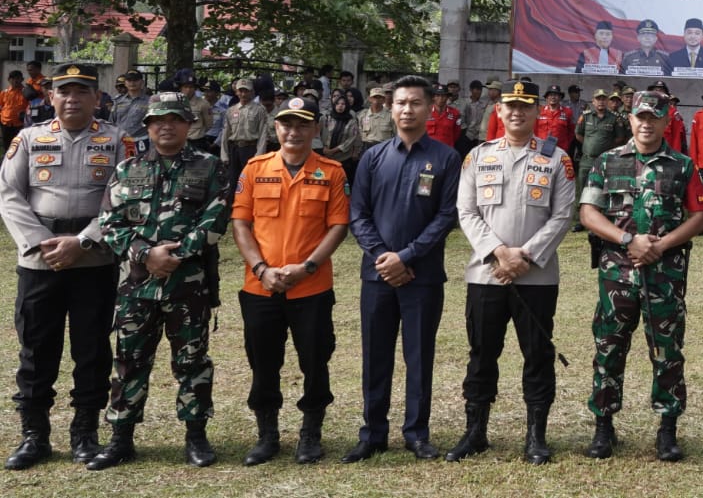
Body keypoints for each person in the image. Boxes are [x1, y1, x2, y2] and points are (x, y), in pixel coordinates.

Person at [87, 92, 231, 470]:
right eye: (157, 120)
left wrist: (176, 254)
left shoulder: (209, 167)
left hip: (189, 284)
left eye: (174, 119)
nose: (165, 126)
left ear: (189, 124)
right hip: (136, 285)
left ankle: (196, 436)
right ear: (148, 127)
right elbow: (110, 223)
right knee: (129, 361)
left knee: (192, 361)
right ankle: (121, 439)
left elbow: (215, 221)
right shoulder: (127, 169)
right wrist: (145, 255)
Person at [0, 65, 130, 470]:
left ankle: (85, 433)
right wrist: (43, 244)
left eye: (82, 91)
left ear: (97, 98)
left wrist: (83, 241)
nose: (72, 98)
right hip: (40, 260)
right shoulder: (29, 138)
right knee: (37, 348)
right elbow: (9, 195)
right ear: (51, 97)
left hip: (93, 258)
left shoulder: (116, 141)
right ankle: (34, 436)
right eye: (64, 91)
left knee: (91, 348)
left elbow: (123, 198)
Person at [447, 82, 576, 464]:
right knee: (482, 353)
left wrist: (524, 256)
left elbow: (562, 215)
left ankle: (536, 436)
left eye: (525, 106)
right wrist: (499, 253)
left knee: (537, 354)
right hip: (486, 275)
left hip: (535, 277)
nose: (517, 112)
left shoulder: (557, 159)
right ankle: (476, 432)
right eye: (510, 106)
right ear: (498, 112)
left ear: (537, 112)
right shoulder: (477, 157)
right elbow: (466, 213)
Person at [578, 91, 703, 462]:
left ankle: (667, 430)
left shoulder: (683, 166)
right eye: (640, 117)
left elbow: (700, 216)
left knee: (667, 351)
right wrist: (627, 239)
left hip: (665, 274)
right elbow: (588, 213)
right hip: (616, 274)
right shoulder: (606, 161)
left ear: (668, 120)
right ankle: (603, 426)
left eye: (654, 117)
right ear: (631, 119)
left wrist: (661, 244)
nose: (646, 123)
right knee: (609, 348)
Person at [343, 75, 461, 463]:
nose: (407, 109)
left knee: (419, 356)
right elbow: (357, 214)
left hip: (422, 277)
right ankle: (372, 433)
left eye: (415, 103)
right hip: (377, 276)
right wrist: (385, 258)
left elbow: (446, 217)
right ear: (390, 108)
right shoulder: (373, 158)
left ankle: (416, 432)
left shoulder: (446, 158)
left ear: (430, 108)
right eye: (400, 103)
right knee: (375, 356)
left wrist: (406, 257)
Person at [230, 96, 350, 466]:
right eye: (287, 124)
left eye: (302, 125)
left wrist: (307, 268)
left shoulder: (332, 172)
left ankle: (310, 434)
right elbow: (240, 224)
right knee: (263, 362)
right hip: (260, 286)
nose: (294, 131)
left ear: (315, 130)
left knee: (315, 361)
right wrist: (263, 270)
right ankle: (267, 435)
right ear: (275, 127)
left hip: (310, 287)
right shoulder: (254, 168)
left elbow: (338, 226)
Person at [221, 78, 271, 175]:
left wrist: (259, 156)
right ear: (236, 92)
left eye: (246, 91)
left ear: (252, 92)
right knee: (233, 182)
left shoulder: (259, 110)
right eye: (241, 91)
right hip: (234, 149)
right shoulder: (231, 110)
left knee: (249, 180)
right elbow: (225, 134)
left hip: (251, 149)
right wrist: (224, 154)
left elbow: (263, 134)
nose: (243, 94)